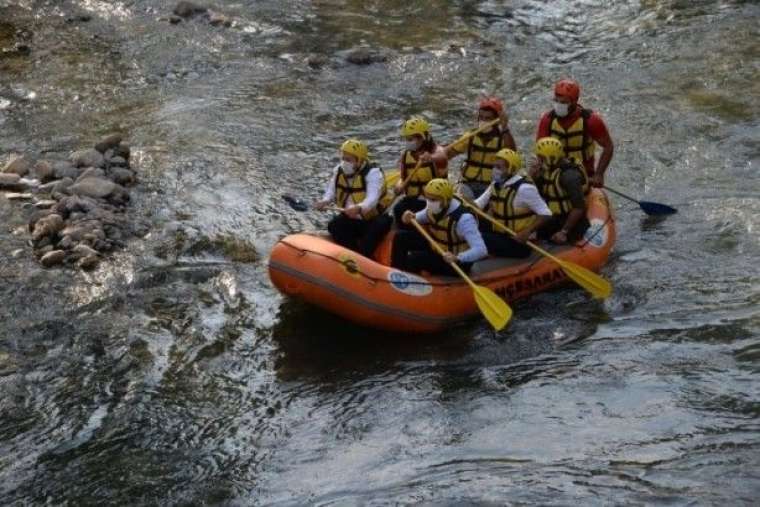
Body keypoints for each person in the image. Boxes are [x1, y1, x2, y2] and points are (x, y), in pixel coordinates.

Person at [391, 178, 487, 276]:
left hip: (456, 263)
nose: (429, 202)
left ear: (445, 200)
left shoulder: (464, 219)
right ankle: (395, 273)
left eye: (433, 199)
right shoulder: (438, 206)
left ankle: (409, 282)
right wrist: (412, 216)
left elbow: (481, 250)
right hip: (438, 248)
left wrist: (458, 257)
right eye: (427, 198)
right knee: (400, 237)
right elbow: (423, 215)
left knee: (414, 258)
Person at [315, 138, 392, 257]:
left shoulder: (373, 173)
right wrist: (324, 201)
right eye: (343, 158)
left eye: (348, 160)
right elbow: (331, 190)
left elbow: (372, 199)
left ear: (359, 161)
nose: (344, 162)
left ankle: (365, 257)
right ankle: (352, 253)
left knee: (373, 234)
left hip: (373, 218)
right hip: (352, 217)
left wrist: (359, 207)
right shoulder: (338, 171)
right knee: (334, 226)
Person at [473, 148, 552, 258]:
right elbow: (476, 205)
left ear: (511, 169)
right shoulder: (496, 185)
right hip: (501, 233)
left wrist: (527, 232)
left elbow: (546, 214)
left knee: (473, 236)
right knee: (469, 222)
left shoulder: (524, 189)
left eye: (499, 167)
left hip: (518, 242)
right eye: (494, 166)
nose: (494, 170)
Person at [536, 78, 614, 188]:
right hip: (555, 172)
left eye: (564, 102)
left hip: (584, 174)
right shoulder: (547, 120)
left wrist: (599, 174)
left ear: (574, 101)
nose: (558, 105)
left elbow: (608, 147)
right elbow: (540, 152)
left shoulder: (591, 121)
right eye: (556, 101)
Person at [442, 97, 517, 200]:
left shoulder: (503, 138)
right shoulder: (471, 136)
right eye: (481, 117)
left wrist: (505, 127)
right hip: (468, 183)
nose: (483, 121)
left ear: (497, 121)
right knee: (465, 201)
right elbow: (448, 154)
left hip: (491, 186)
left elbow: (512, 155)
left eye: (488, 118)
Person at [530, 137, 590, 245]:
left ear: (550, 158)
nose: (538, 160)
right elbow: (536, 193)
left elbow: (579, 207)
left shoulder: (569, 176)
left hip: (568, 221)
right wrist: (533, 176)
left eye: (540, 157)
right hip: (553, 217)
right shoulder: (547, 169)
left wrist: (563, 232)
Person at [392, 116, 448, 227]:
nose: (408, 143)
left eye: (411, 139)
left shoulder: (435, 151)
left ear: (423, 138)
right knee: (398, 209)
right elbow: (402, 178)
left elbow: (442, 156)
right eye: (406, 139)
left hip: (432, 200)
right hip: (412, 198)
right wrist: (399, 186)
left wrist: (431, 158)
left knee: (417, 210)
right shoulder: (405, 155)